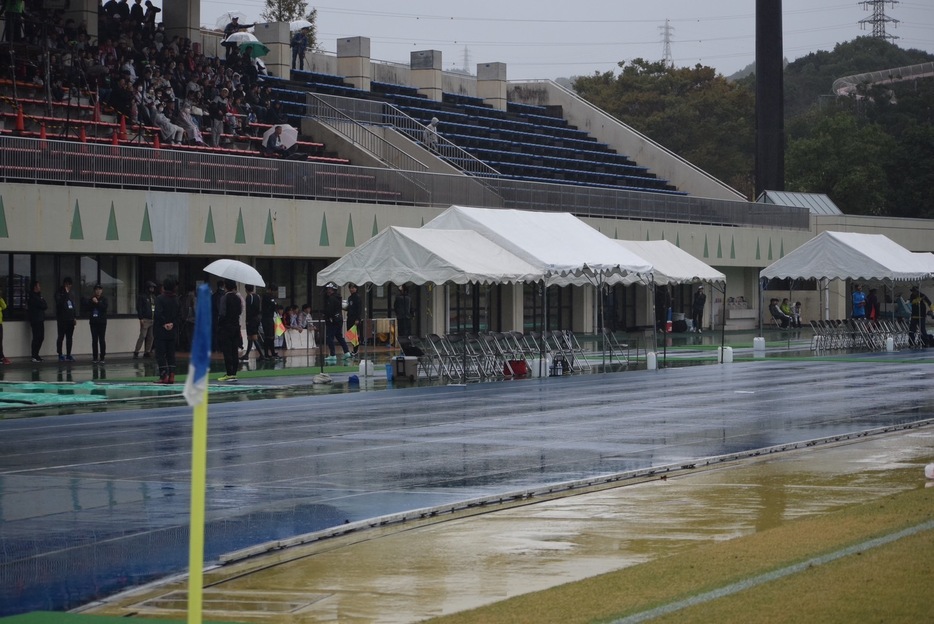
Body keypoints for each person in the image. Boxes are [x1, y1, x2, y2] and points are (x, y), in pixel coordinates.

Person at [153, 277, 179, 383]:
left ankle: (164, 376)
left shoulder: (160, 298)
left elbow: (158, 314)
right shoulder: (176, 299)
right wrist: (172, 324)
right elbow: (179, 315)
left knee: (160, 354)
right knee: (171, 354)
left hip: (161, 330)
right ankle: (172, 375)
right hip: (172, 331)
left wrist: (164, 323)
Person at [217, 279, 243, 382]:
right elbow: (240, 311)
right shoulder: (238, 298)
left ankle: (229, 373)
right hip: (236, 326)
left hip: (226, 327)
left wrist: (220, 324)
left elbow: (222, 313)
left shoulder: (224, 298)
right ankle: (234, 373)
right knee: (234, 350)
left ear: (226, 287)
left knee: (227, 350)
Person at [323, 282, 351, 363]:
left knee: (330, 337)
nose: (328, 291)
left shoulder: (331, 299)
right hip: (339, 319)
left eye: (330, 289)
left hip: (333, 320)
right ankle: (346, 352)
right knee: (339, 336)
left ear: (333, 290)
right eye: (328, 289)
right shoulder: (338, 298)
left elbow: (330, 310)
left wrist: (327, 316)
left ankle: (332, 354)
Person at [84, 283, 108, 364]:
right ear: (94, 291)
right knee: (94, 340)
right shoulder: (91, 299)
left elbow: (104, 308)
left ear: (102, 291)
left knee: (102, 339)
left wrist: (97, 302)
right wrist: (92, 302)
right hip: (93, 322)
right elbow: (87, 308)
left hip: (102, 322)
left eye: (99, 289)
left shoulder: (104, 299)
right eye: (96, 290)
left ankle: (102, 357)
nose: (98, 291)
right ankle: (95, 357)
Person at [55, 277, 77, 362]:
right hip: (62, 319)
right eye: (68, 285)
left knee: (69, 337)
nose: (69, 287)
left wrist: (74, 317)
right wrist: (65, 294)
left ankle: (68, 354)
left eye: (70, 285)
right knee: (61, 337)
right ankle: (60, 354)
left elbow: (73, 306)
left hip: (70, 319)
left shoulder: (71, 294)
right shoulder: (59, 293)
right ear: (65, 284)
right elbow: (59, 304)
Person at [241, 283, 264, 361]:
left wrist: (247, 320)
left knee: (253, 337)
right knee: (250, 337)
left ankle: (261, 354)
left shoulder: (249, 297)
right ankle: (247, 354)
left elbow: (248, 310)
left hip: (251, 319)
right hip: (257, 318)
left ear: (246, 289)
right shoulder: (257, 296)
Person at [134, 280, 156, 358]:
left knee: (151, 336)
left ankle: (147, 351)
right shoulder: (142, 296)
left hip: (152, 319)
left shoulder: (153, 297)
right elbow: (139, 307)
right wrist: (141, 318)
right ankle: (136, 351)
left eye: (153, 288)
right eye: (151, 287)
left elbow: (155, 307)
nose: (152, 289)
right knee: (143, 335)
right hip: (145, 319)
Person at [27, 280, 47, 363]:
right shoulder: (32, 297)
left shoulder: (39, 296)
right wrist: (41, 301)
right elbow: (41, 305)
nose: (40, 287)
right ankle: (34, 355)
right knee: (36, 337)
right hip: (35, 319)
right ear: (35, 287)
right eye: (38, 286)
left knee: (41, 337)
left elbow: (45, 306)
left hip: (40, 319)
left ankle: (37, 354)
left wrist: (42, 300)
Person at [261, 283, 281, 359]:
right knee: (268, 336)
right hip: (266, 319)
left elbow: (276, 305)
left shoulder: (272, 297)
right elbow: (273, 305)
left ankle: (272, 352)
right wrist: (274, 304)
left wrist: (275, 304)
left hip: (270, 318)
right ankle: (266, 353)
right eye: (273, 291)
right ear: (269, 290)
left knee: (272, 336)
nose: (274, 293)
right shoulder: (266, 297)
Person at [345, 283, 362, 355]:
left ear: (356, 288)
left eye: (353, 288)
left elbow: (359, 309)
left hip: (355, 318)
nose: (351, 289)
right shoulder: (350, 298)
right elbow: (349, 307)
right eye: (350, 288)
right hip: (350, 317)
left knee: (354, 334)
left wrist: (358, 319)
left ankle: (356, 349)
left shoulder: (357, 297)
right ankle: (354, 348)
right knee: (350, 333)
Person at [0, 292, 9, 364]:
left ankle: (1, 357)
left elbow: (4, 306)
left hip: (0, 323)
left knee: (0, 340)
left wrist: (0, 299)